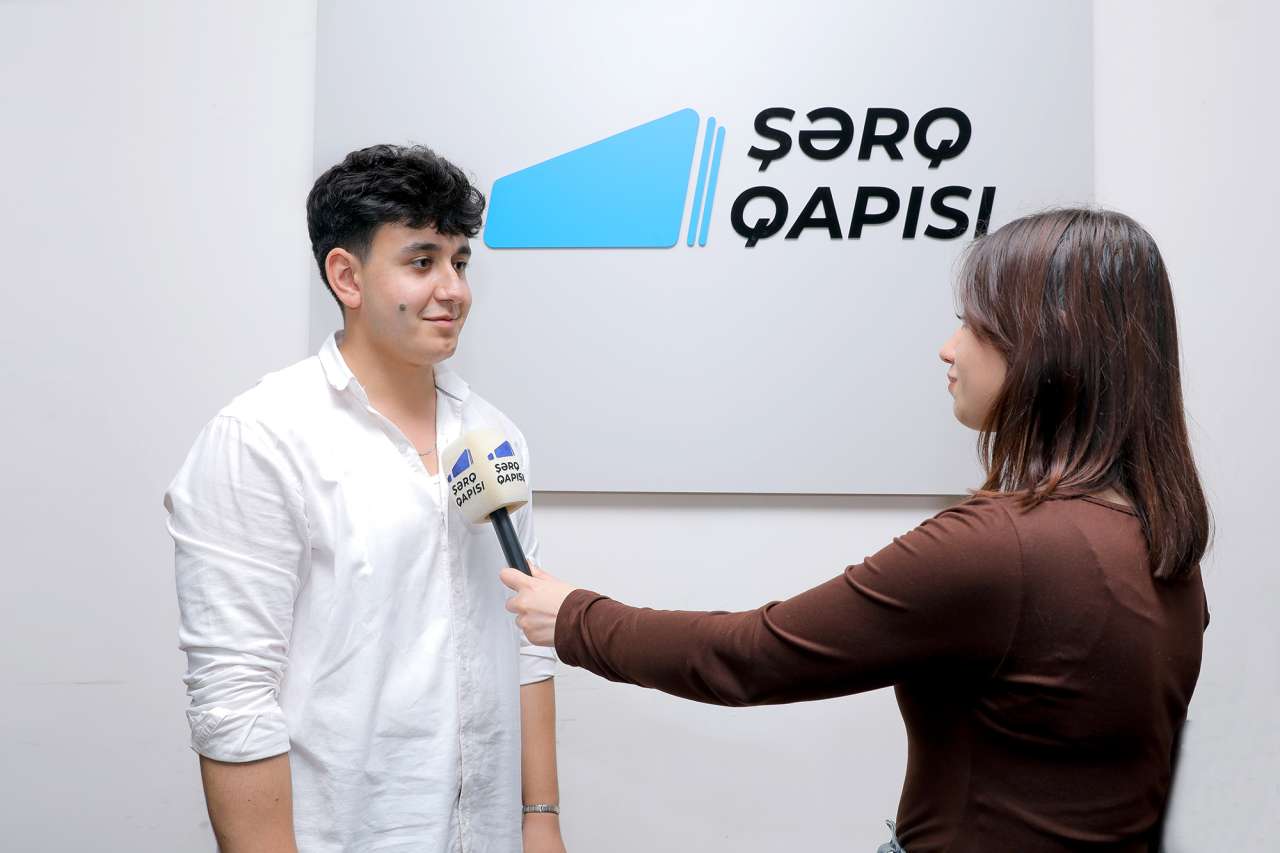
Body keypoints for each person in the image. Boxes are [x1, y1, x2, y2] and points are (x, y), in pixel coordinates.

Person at [501, 208, 1210, 852]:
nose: (949, 347)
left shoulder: (1000, 549)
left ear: (1046, 344)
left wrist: (575, 618)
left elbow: (749, 656)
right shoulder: (1165, 547)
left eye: (974, 323)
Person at [165, 144, 566, 853]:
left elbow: (527, 644)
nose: (453, 289)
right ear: (346, 276)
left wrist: (540, 818)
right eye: (422, 261)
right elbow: (233, 697)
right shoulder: (262, 438)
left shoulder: (492, 435)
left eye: (460, 262)